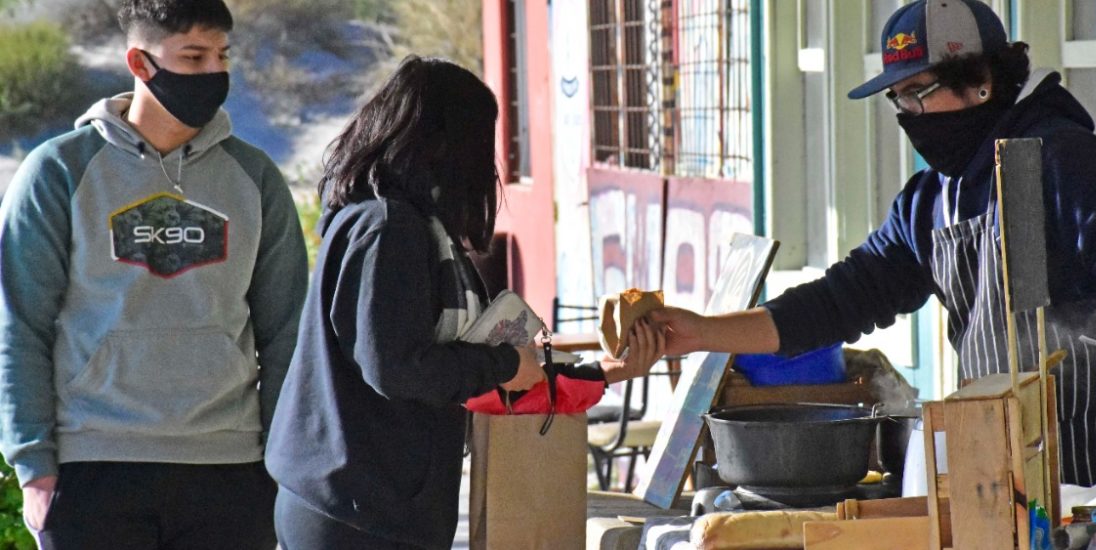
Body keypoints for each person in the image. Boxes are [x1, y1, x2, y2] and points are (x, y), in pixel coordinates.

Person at [651, 0, 1096, 506]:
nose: (908, 113)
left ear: (982, 82)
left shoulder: (1066, 164)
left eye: (920, 91)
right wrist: (699, 331)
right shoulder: (930, 202)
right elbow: (836, 303)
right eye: (899, 98)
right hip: (1003, 475)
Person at [263, 55, 666, 550]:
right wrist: (499, 364)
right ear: (441, 143)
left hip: (374, 503)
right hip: (355, 510)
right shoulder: (390, 228)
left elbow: (458, 365)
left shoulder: (404, 223)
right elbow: (396, 367)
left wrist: (603, 372)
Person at [0, 0, 308, 547]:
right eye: (193, 57)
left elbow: (287, 330)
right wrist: (33, 464)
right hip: (92, 464)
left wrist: (282, 461)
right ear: (140, 64)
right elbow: (19, 323)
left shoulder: (254, 177)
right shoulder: (58, 172)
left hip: (229, 465)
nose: (214, 73)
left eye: (221, 55)